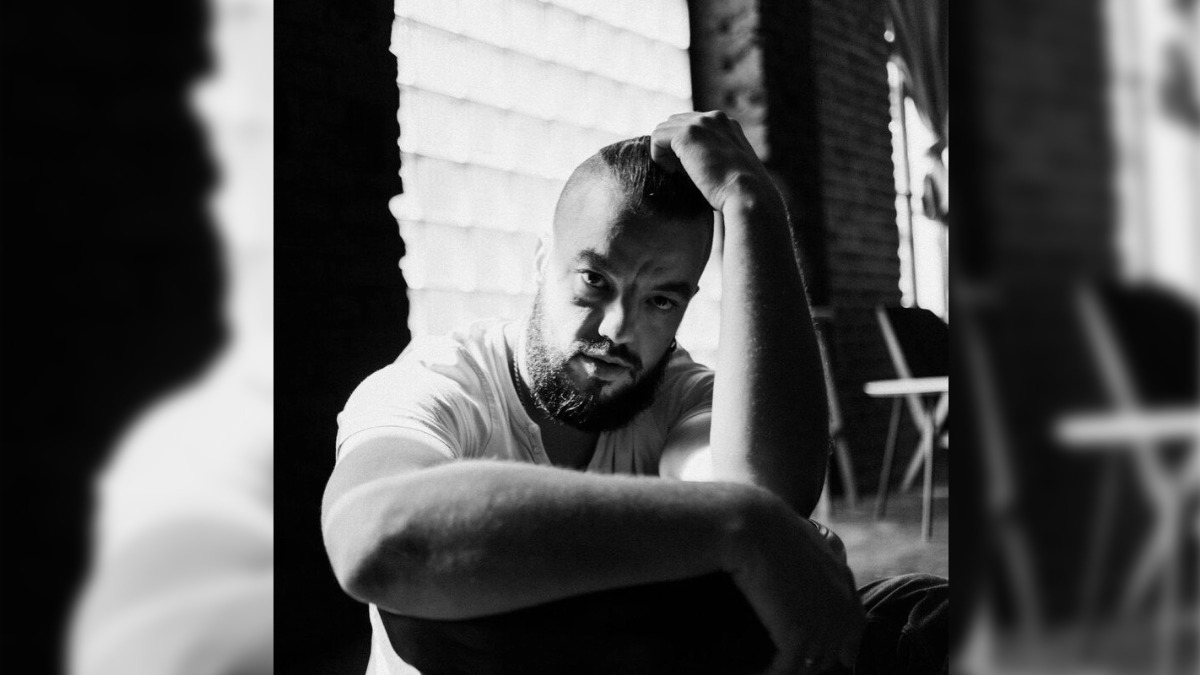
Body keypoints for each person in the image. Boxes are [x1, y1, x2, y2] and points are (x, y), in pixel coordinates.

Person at [323, 112, 946, 674]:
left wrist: (752, 204)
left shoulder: (678, 391)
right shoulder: (441, 381)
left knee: (929, 617)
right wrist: (736, 528)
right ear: (541, 261)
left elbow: (766, 489)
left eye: (662, 300)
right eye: (595, 280)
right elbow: (374, 541)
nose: (620, 329)